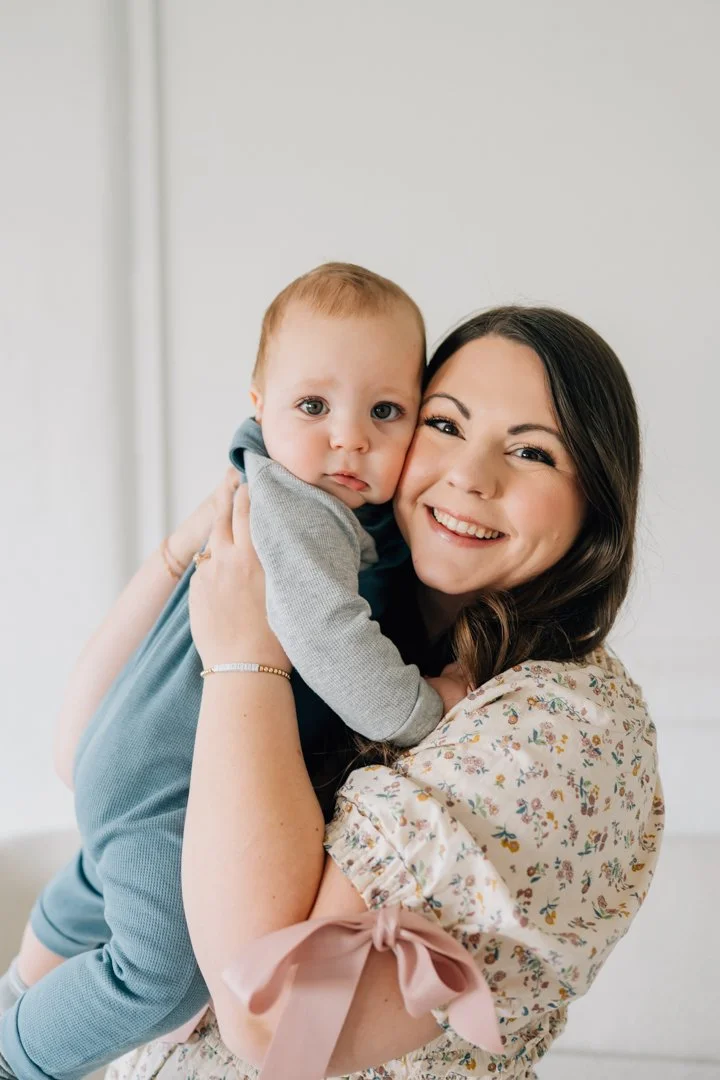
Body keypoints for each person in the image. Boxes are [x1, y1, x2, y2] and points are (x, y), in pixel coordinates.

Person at [106, 305, 663, 1079]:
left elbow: (278, 1024)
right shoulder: (354, 608)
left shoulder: (564, 731)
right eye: (444, 424)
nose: (470, 475)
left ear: (595, 503)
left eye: (532, 451)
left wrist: (243, 658)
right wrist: (188, 555)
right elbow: (84, 758)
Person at [0, 263, 464, 1080]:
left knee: (103, 882)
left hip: (137, 766)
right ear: (260, 406)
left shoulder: (328, 505)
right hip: (169, 783)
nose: (349, 437)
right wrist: (428, 712)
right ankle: (20, 1054)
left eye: (384, 411)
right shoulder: (298, 511)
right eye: (313, 407)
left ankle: (18, 986)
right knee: (163, 974)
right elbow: (329, 639)